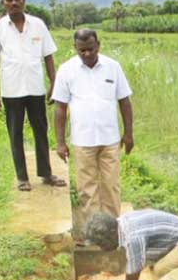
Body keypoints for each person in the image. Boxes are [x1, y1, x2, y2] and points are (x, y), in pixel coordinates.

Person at [0, 0, 65, 191]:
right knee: (15, 133)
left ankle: (46, 174)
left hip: (36, 88)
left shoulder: (38, 24)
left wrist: (54, 82)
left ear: (23, 0)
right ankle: (22, 177)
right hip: (11, 91)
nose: (13, 3)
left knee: (41, 131)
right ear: (3, 3)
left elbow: (48, 56)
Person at [52, 29, 133, 236]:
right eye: (82, 50)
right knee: (87, 188)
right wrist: (60, 142)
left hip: (110, 139)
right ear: (75, 48)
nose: (87, 54)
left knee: (111, 186)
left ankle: (113, 230)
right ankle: (94, 233)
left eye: (91, 49)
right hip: (82, 139)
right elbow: (60, 108)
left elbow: (124, 101)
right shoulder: (66, 70)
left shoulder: (113, 67)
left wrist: (128, 133)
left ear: (99, 45)